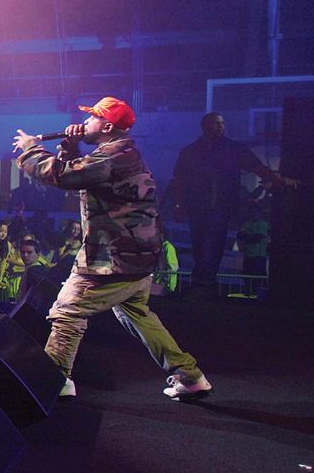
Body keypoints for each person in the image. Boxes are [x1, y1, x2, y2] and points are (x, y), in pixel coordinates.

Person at [13, 96, 210, 400]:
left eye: (92, 118)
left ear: (106, 126)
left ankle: (52, 381)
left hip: (113, 258)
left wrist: (30, 149)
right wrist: (70, 144)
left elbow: (62, 175)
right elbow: (77, 170)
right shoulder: (122, 152)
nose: (85, 122)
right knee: (138, 316)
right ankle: (191, 377)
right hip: (138, 257)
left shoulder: (110, 158)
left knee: (67, 310)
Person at [172, 112, 298, 297]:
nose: (221, 127)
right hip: (198, 206)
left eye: (222, 123)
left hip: (219, 206)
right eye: (217, 124)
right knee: (201, 245)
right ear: (206, 126)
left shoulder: (232, 148)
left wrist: (274, 178)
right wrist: (179, 205)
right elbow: (180, 180)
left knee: (211, 245)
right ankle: (203, 284)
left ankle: (204, 285)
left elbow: (255, 166)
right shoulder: (192, 151)